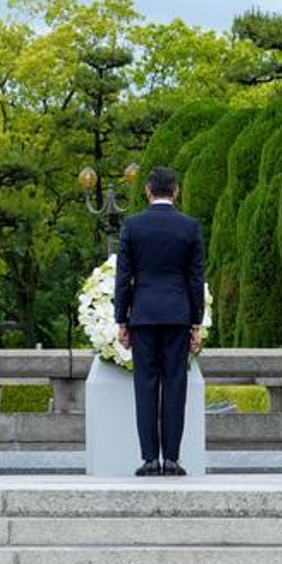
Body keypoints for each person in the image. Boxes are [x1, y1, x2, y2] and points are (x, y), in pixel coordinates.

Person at [115, 166, 206, 477]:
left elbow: (123, 277)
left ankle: (149, 458)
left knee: (145, 386)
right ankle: (172, 459)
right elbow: (195, 279)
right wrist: (196, 323)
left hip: (143, 314)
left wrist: (122, 320)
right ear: (176, 191)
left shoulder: (133, 225)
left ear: (148, 191)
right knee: (175, 386)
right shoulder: (189, 227)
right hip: (178, 315)